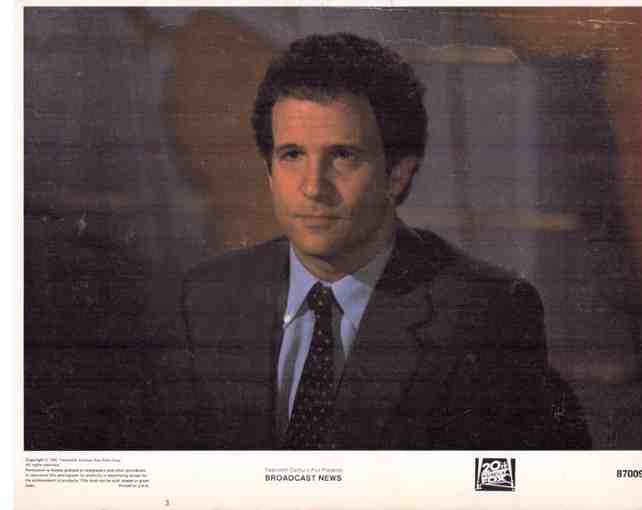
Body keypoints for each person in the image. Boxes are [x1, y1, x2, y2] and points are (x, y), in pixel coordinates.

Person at [155, 32, 590, 450]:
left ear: (397, 174)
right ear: (269, 172)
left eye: (342, 156)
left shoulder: (484, 315)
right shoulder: (205, 299)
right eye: (292, 155)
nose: (313, 187)